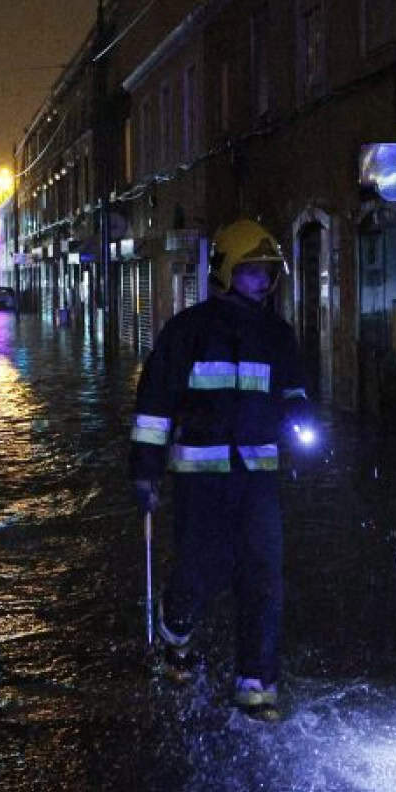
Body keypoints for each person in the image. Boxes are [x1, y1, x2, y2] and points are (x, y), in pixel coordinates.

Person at [128, 218, 315, 721]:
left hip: (257, 479)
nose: (262, 281)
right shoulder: (187, 331)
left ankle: (256, 683)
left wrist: (301, 421)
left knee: (263, 576)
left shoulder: (278, 335)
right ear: (227, 271)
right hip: (199, 479)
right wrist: (146, 473)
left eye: (268, 272)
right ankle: (176, 628)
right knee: (197, 572)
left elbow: (293, 391)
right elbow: (154, 407)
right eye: (252, 271)